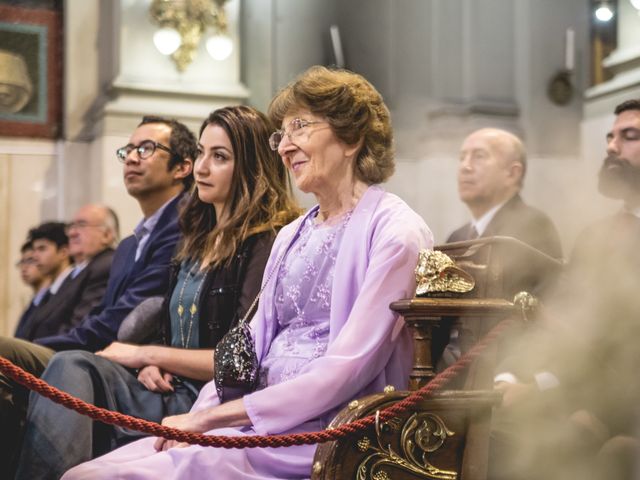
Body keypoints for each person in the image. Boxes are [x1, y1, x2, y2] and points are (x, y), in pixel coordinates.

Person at [62, 66, 433, 480]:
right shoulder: (294, 232)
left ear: (352, 136)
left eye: (299, 128)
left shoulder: (396, 232)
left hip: (325, 432)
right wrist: (202, 414)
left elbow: (349, 368)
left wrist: (210, 422)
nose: (284, 146)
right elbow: (246, 348)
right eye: (281, 134)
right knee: (86, 472)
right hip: (251, 420)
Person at [16, 105, 302, 479]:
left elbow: (240, 363)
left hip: (209, 398)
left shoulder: (265, 242)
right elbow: (171, 330)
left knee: (71, 363)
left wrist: (145, 353)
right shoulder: (195, 240)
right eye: (201, 152)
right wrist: (154, 362)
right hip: (167, 384)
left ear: (251, 166)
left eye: (219, 157)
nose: (201, 167)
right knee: (67, 364)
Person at [0, 115, 196, 476]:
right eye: (128, 150)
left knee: (10, 353)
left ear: (183, 167)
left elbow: (130, 317)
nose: (132, 158)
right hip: (107, 348)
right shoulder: (129, 245)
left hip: (131, 359)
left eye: (146, 148)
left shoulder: (187, 226)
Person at [490, 99, 640, 480]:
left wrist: (592, 410)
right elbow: (561, 320)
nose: (611, 146)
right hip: (590, 394)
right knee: (502, 443)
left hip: (620, 407)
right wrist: (514, 375)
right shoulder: (597, 235)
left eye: (630, 136)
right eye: (610, 137)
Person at [447, 128, 562, 259]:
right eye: (462, 158)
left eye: (479, 156)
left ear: (513, 173)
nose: (465, 167)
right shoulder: (456, 238)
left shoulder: (533, 228)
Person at [14, 205, 119, 342]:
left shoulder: (104, 266)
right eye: (71, 226)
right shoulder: (77, 272)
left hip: (65, 354)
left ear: (107, 235)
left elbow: (81, 327)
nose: (71, 233)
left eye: (82, 225)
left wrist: (36, 346)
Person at [13, 240, 52, 338]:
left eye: (30, 261)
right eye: (22, 262)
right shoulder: (34, 302)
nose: (24, 268)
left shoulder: (52, 299)